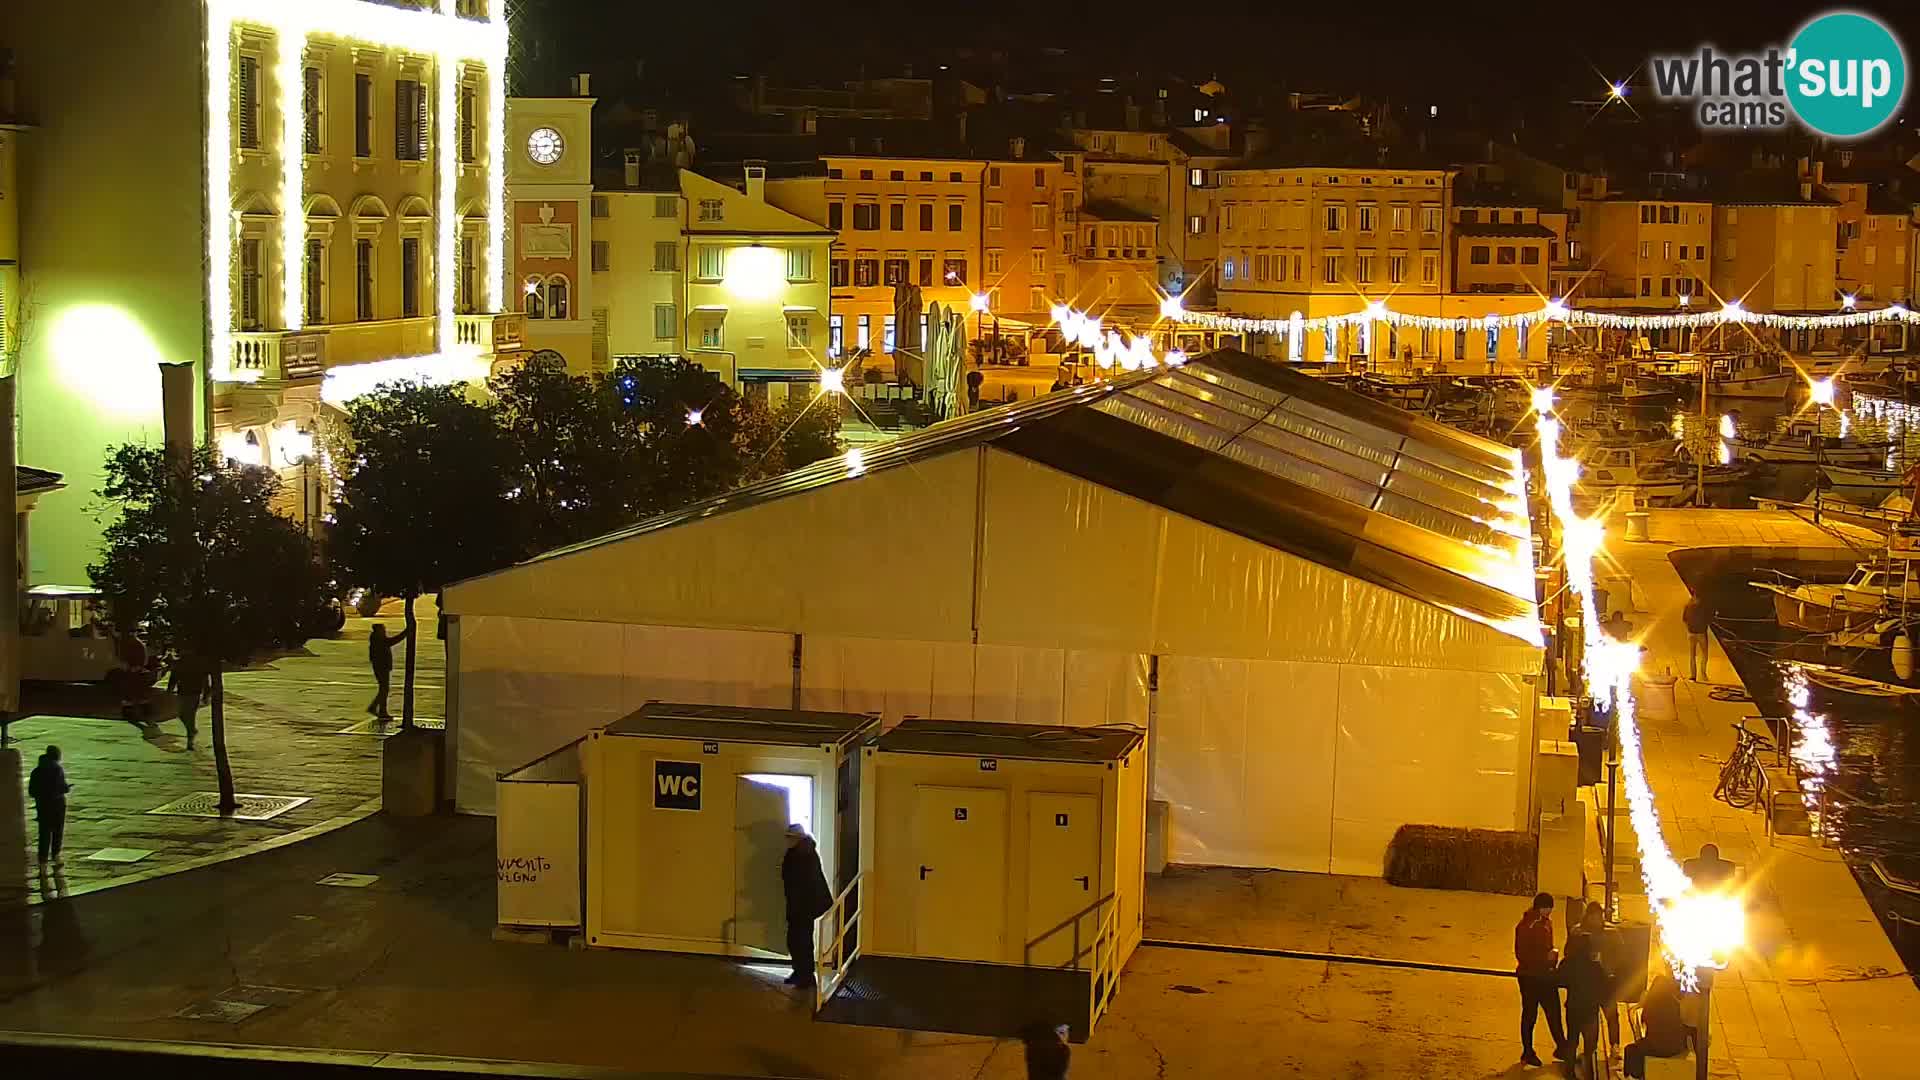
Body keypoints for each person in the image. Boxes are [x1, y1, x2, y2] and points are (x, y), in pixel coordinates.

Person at [1514, 892, 1568, 1068]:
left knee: (1541, 1012)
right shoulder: (1532, 925)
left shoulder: (1540, 923)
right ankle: (1534, 1050)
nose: (1551, 911)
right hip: (1534, 976)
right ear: (1542, 907)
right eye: (1549, 908)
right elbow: (1523, 954)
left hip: (1538, 975)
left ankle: (1555, 1047)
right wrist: (1547, 958)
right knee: (1539, 1013)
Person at [1559, 907, 1612, 1077]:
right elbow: (1604, 983)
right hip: (1590, 1010)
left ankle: (1569, 1073)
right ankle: (1589, 1074)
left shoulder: (1568, 963)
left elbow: (1560, 979)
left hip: (1574, 1007)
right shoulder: (1595, 966)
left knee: (1572, 1040)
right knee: (1590, 1046)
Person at [780, 823, 832, 988]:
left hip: (803, 906)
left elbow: (804, 883)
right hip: (800, 905)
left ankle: (805, 975)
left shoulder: (803, 854)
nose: (787, 840)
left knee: (800, 940)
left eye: (790, 837)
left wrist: (797, 905)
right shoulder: (801, 851)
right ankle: (801, 972)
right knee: (798, 940)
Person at [1624, 971, 1692, 1077]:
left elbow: (1639, 1024)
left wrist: (1640, 1004)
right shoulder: (1676, 1005)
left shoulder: (1651, 1006)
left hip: (1657, 1048)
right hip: (1677, 1047)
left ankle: (1637, 1075)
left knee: (1631, 1049)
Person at [27, 745, 72, 869]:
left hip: (42, 806)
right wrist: (67, 788)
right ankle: (56, 856)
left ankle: (42, 862)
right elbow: (61, 787)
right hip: (57, 805)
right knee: (57, 831)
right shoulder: (57, 770)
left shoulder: (36, 771)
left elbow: (31, 791)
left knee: (44, 833)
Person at [367, 623, 411, 720]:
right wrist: (406, 632)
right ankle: (379, 709)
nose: (385, 630)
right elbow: (392, 641)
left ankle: (376, 708)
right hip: (381, 667)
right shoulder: (378, 639)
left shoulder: (377, 638)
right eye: (383, 629)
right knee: (384, 689)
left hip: (381, 666)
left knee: (384, 689)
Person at [170, 657, 208, 750]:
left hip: (193, 693)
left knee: (190, 715)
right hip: (183, 692)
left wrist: (206, 694)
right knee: (181, 714)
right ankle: (192, 731)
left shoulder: (198, 663)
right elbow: (173, 678)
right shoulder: (180, 663)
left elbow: (204, 679)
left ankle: (190, 741)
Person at [1683, 595, 1714, 682]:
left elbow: (1684, 620)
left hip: (1691, 633)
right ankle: (1703, 674)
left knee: (1692, 655)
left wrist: (1689, 629)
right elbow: (1709, 620)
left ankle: (1693, 676)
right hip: (1701, 634)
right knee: (1704, 654)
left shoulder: (1688, 606)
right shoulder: (1703, 608)